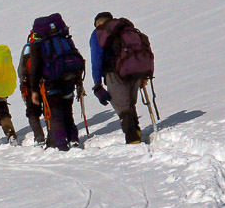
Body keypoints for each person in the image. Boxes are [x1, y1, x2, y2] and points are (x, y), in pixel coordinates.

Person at [27, 14, 83, 151]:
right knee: (68, 113)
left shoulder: (38, 45)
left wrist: (34, 89)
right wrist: (79, 82)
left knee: (56, 115)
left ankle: (61, 145)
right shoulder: (65, 39)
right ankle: (74, 140)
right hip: (69, 80)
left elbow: (35, 68)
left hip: (52, 83)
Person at [89, 11, 144, 144]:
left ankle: (133, 139)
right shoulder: (125, 29)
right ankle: (136, 132)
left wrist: (97, 83)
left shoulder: (98, 33)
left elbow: (96, 59)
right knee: (130, 104)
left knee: (122, 108)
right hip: (134, 71)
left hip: (113, 73)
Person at [18, 33, 47, 146]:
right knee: (49, 110)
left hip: (30, 85)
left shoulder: (27, 49)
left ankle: (39, 137)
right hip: (46, 83)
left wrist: (22, 85)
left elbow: (21, 69)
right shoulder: (47, 46)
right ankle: (54, 135)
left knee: (32, 113)